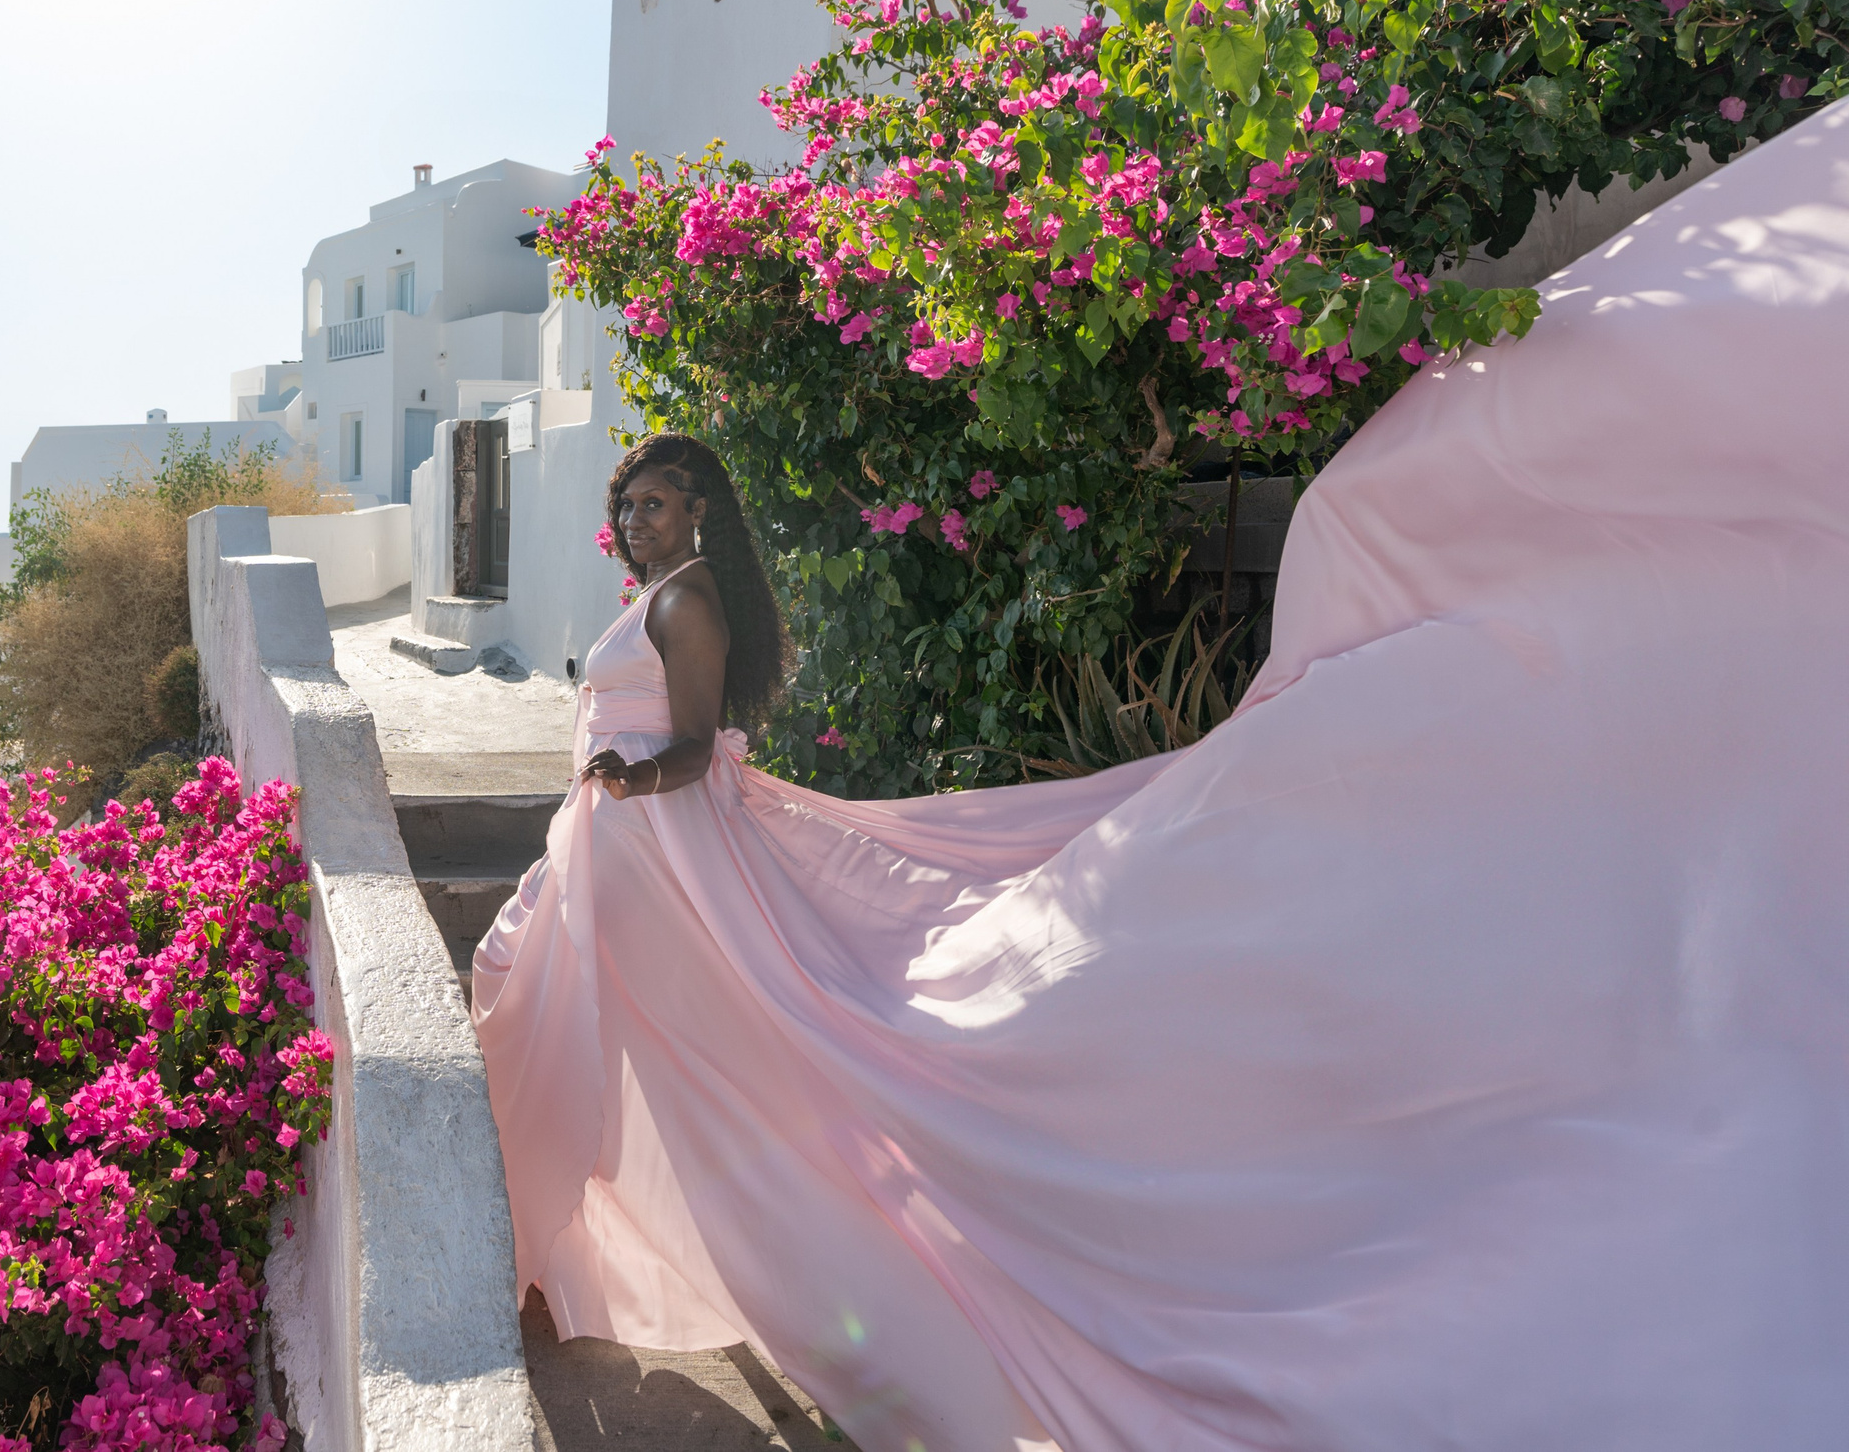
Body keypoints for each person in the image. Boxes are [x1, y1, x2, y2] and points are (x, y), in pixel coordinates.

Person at [471, 103, 1849, 1451]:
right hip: (642, 864)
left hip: (670, 859)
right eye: (627, 507)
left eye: (652, 504)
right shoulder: (667, 594)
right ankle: (575, 1242)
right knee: (653, 1054)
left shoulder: (687, 605)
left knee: (737, 1064)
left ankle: (795, 1286)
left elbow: (699, 747)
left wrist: (621, 784)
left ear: (699, 510)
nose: (634, 521)